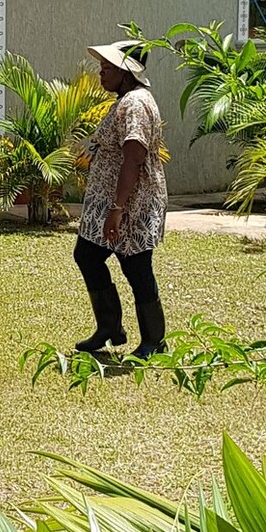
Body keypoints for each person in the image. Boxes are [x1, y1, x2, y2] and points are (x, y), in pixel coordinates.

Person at [73, 41, 167, 359]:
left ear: (126, 73)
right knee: (87, 254)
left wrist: (117, 209)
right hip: (112, 204)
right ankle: (109, 327)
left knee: (137, 268)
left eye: (108, 68)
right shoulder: (126, 100)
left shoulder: (136, 104)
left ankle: (154, 341)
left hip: (131, 204)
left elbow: (134, 158)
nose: (101, 72)